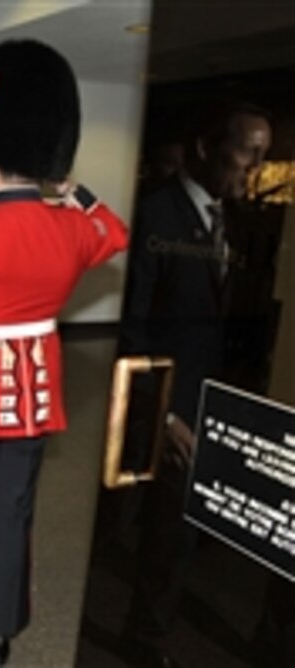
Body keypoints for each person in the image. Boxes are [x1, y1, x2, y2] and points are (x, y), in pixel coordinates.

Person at [0, 40, 129, 667]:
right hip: (36, 400)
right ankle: (1, 631)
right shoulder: (69, 226)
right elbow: (114, 232)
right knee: (15, 515)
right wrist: (73, 188)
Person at [118, 102, 272, 668]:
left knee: (175, 526)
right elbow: (131, 331)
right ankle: (147, 637)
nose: (256, 166)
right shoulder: (157, 218)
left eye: (264, 154)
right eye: (248, 151)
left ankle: (149, 616)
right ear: (207, 148)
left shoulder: (227, 219)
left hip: (207, 396)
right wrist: (163, 416)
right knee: (168, 528)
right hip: (165, 403)